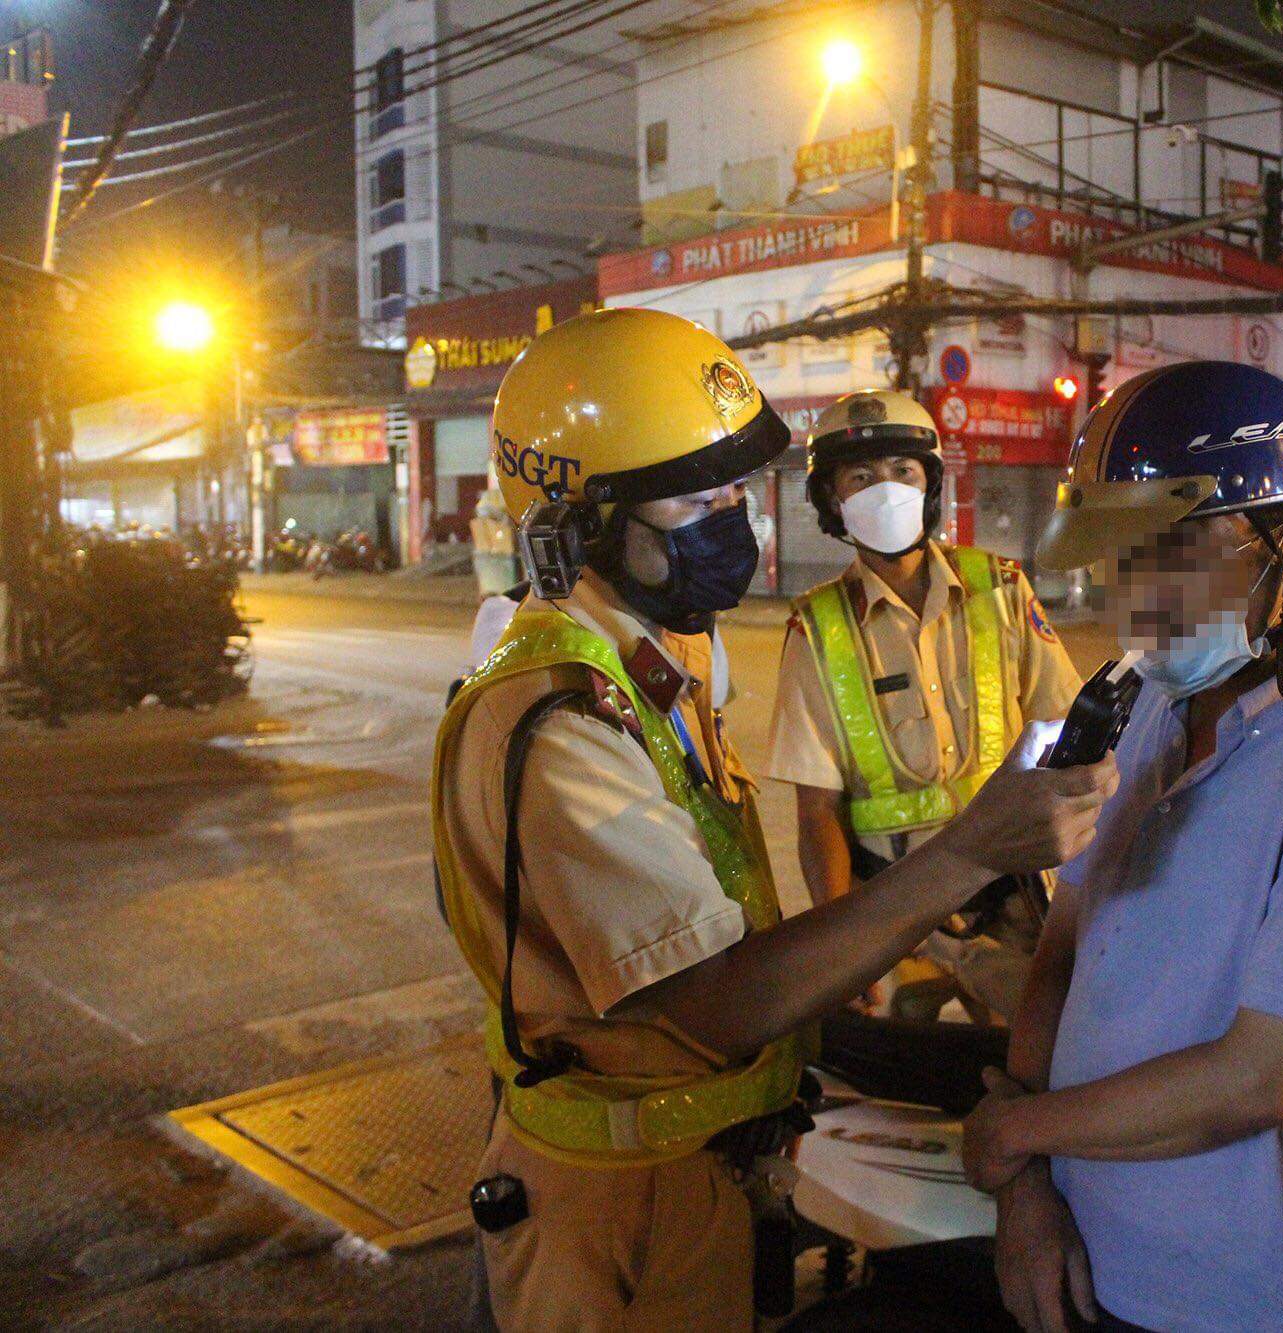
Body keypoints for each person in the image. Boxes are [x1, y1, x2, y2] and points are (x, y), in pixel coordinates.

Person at [431, 308, 1116, 1331]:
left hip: (706, 1159)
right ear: (581, 521)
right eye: (697, 500)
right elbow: (712, 1001)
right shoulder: (561, 720)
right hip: (617, 1209)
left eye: (735, 493)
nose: (732, 524)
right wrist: (972, 849)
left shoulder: (665, 653)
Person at [964, 361, 1283, 1333]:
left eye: (1171, 545)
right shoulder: (1138, 711)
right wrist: (1026, 1189)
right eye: (1116, 550)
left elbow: (1259, 1078)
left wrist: (1011, 1131)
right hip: (1075, 1260)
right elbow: (1058, 952)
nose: (1133, 588)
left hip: (1224, 1295)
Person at [764, 389, 1082, 1022]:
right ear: (833, 500)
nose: (886, 491)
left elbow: (1068, 739)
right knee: (905, 1076)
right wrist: (841, 948)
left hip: (1011, 895)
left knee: (1032, 1045)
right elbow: (816, 812)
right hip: (889, 906)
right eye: (861, 478)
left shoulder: (1003, 589)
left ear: (931, 483)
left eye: (903, 473)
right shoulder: (817, 628)